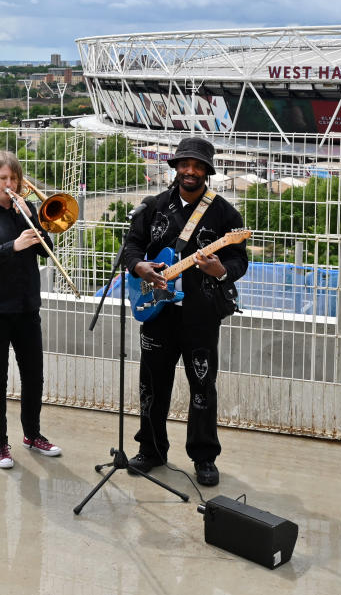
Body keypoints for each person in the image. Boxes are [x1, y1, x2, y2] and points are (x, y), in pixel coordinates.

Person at [121, 136, 248, 487]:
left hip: (200, 314)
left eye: (198, 166)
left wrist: (220, 270)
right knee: (152, 383)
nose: (190, 171)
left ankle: (204, 457)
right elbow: (132, 245)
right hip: (157, 313)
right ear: (175, 167)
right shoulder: (153, 206)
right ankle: (151, 449)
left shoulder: (225, 214)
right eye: (185, 164)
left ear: (207, 172)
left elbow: (240, 260)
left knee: (203, 386)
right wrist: (139, 267)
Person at [0, 150, 63, 469]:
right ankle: (0, 443)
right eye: (3, 178)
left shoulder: (28, 208)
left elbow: (46, 254)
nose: (9, 184)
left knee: (34, 374)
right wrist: (14, 245)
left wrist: (33, 220)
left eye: (14, 178)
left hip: (25, 305)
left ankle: (32, 434)